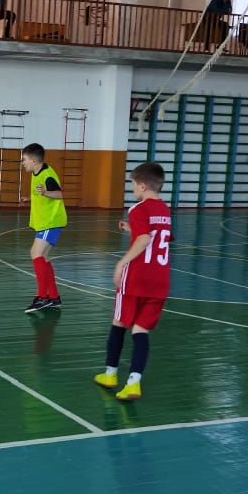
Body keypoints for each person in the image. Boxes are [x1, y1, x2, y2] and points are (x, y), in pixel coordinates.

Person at [94, 162, 173, 400]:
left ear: (142, 185)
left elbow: (145, 239)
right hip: (160, 280)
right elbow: (159, 235)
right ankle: (134, 383)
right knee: (141, 330)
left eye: (133, 185)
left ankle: (110, 374)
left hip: (137, 277)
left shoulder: (138, 208)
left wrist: (121, 263)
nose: (133, 189)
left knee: (119, 322)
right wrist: (133, 229)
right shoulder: (164, 209)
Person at [20, 142, 66, 313]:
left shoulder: (47, 174)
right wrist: (30, 198)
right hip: (45, 222)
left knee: (36, 253)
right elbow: (41, 194)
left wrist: (45, 192)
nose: (22, 163)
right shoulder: (36, 172)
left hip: (51, 221)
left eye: (24, 160)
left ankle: (42, 297)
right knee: (43, 257)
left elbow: (59, 194)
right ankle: (54, 297)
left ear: (33, 161)